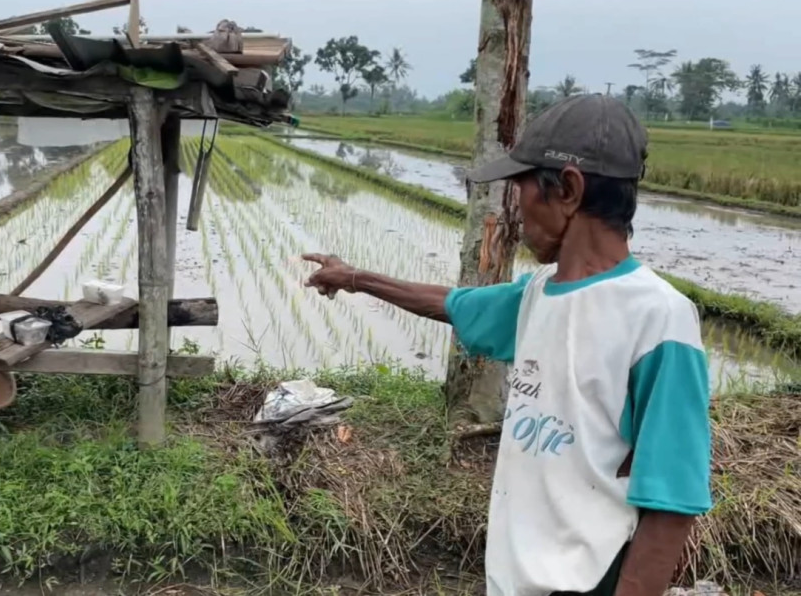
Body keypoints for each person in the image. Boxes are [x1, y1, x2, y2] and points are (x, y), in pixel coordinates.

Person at [302, 94, 712, 596]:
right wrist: (355, 278)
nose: (513, 208)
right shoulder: (539, 293)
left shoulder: (658, 319)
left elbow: (672, 502)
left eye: (519, 189)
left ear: (567, 188)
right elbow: (453, 304)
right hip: (514, 579)